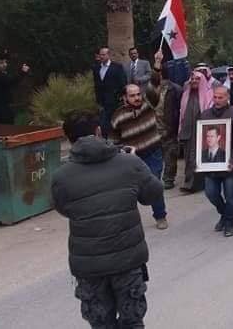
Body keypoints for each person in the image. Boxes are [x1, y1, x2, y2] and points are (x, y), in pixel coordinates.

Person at [51, 109, 163, 329]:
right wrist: (137, 163)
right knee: (132, 322)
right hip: (128, 261)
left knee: (101, 324)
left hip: (89, 265)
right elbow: (153, 195)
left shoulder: (61, 176)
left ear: (68, 138)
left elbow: (64, 209)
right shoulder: (129, 164)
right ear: (99, 131)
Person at [109, 84, 168, 230]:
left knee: (154, 184)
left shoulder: (148, 105)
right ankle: (130, 221)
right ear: (124, 98)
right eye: (132, 95)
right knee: (132, 190)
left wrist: (157, 65)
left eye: (138, 94)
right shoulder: (118, 116)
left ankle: (160, 216)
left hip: (153, 152)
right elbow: (113, 140)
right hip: (133, 158)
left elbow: (155, 87)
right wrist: (121, 152)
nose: (137, 98)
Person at [198, 86, 233, 237]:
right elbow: (199, 141)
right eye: (215, 97)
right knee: (211, 193)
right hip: (210, 165)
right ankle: (224, 215)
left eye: (221, 97)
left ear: (227, 98)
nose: (217, 100)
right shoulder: (205, 115)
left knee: (231, 196)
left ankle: (229, 223)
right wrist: (197, 161)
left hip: (230, 165)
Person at [148, 52, 181, 190]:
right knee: (155, 156)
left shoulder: (175, 89)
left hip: (169, 127)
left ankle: (168, 179)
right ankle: (155, 178)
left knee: (170, 155)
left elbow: (179, 110)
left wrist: (175, 126)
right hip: (154, 128)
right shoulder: (151, 89)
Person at [178, 70, 213, 193]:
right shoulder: (185, 94)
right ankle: (190, 182)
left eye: (197, 79)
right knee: (188, 158)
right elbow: (181, 115)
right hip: (188, 132)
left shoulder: (208, 95)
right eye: (192, 79)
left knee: (198, 158)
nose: (194, 81)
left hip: (202, 132)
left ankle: (193, 185)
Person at [0, 53, 29, 124]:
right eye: (1, 63)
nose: (4, 64)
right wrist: (22, 72)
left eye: (5, 62)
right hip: (0, 110)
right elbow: (11, 81)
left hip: (1, 108)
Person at [93, 48, 127, 136]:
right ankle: (105, 140)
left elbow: (123, 82)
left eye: (103, 55)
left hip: (115, 101)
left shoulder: (117, 67)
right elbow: (96, 85)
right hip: (102, 102)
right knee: (103, 123)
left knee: (115, 122)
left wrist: (120, 96)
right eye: (100, 55)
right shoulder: (96, 68)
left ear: (108, 55)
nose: (101, 57)